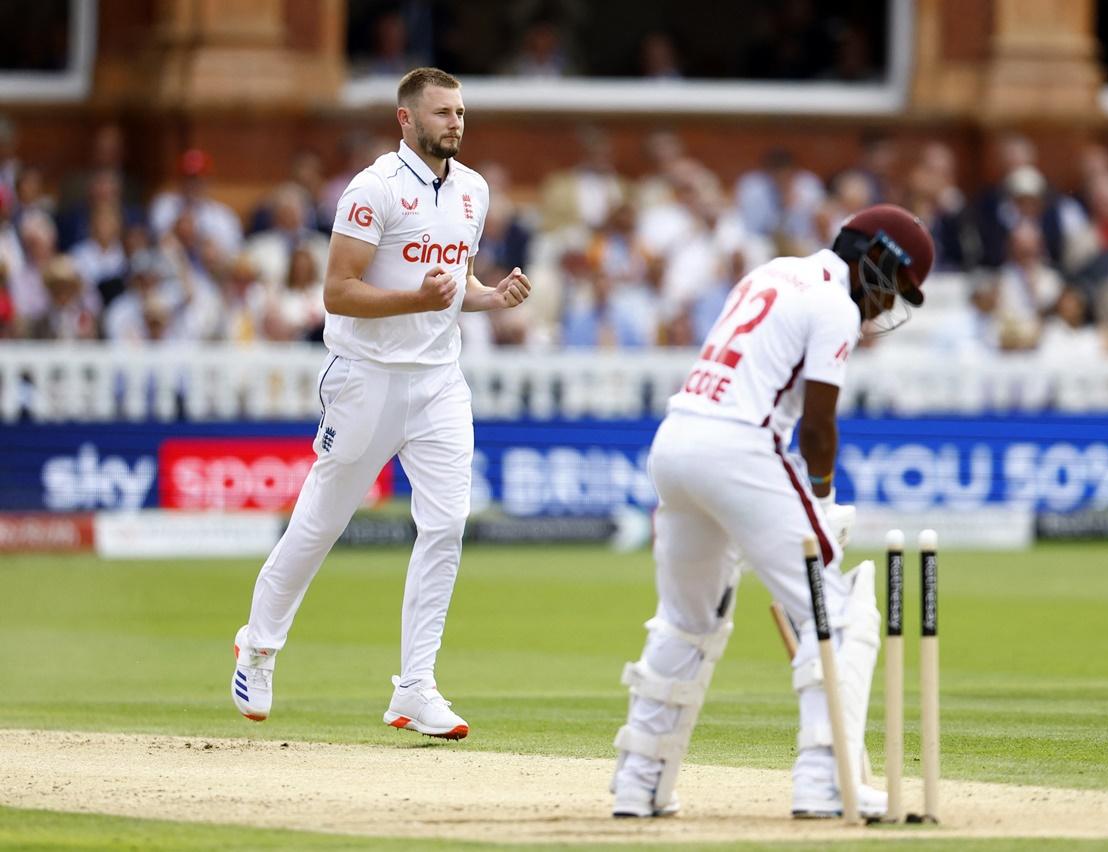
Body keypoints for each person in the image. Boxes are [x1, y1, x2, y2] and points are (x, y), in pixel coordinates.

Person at [230, 67, 532, 740]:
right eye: (442, 112)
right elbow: (338, 290)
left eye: (460, 110)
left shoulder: (473, 191)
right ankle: (259, 643)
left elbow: (454, 285)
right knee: (321, 522)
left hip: (439, 379)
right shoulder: (373, 191)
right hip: (365, 376)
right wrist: (414, 300)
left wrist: (489, 297)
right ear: (406, 120)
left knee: (447, 525)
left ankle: (415, 688)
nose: (456, 121)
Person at [610, 204, 934, 819]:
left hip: (675, 441)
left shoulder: (771, 272)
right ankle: (824, 783)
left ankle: (639, 784)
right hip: (739, 448)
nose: (888, 305)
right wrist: (822, 494)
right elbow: (816, 428)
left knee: (686, 623)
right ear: (876, 259)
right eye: (895, 285)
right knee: (840, 614)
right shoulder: (835, 305)